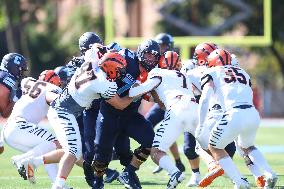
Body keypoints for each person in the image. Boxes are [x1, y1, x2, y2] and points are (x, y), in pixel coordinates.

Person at [197, 49, 278, 189]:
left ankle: (240, 182)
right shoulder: (244, 73)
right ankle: (269, 173)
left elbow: (205, 100)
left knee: (214, 147)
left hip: (233, 113)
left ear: (214, 62)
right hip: (252, 113)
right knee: (247, 146)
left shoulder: (212, 72)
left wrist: (201, 124)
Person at [93, 39, 160, 189]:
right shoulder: (126, 58)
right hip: (109, 113)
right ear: (141, 53)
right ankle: (97, 181)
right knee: (102, 155)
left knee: (151, 139)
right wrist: (137, 91)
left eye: (154, 56)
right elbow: (104, 56)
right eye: (148, 54)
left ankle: (129, 173)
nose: (151, 59)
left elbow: (152, 95)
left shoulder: (154, 72)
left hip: (130, 115)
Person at [129, 51, 198, 189]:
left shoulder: (158, 72)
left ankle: (175, 172)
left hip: (176, 111)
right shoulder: (184, 75)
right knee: (210, 146)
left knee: (156, 151)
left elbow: (134, 93)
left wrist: (136, 84)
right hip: (194, 109)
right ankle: (237, 178)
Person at [3, 70, 62, 184]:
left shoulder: (29, 82)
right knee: (55, 143)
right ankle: (21, 160)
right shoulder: (53, 88)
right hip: (20, 126)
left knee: (48, 152)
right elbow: (56, 100)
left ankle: (59, 185)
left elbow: (25, 82)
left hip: (9, 130)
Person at [149, 33, 185, 174]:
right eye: (159, 45)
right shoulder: (155, 59)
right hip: (160, 102)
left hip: (174, 102)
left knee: (167, 131)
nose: (161, 48)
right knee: (147, 124)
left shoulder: (174, 59)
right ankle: (163, 156)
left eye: (163, 45)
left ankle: (176, 162)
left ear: (169, 46)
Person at [0, 53, 28, 155]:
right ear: (13, 67)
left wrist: (15, 99)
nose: (21, 73)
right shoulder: (6, 78)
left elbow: (5, 113)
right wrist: (17, 97)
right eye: (20, 69)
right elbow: (4, 111)